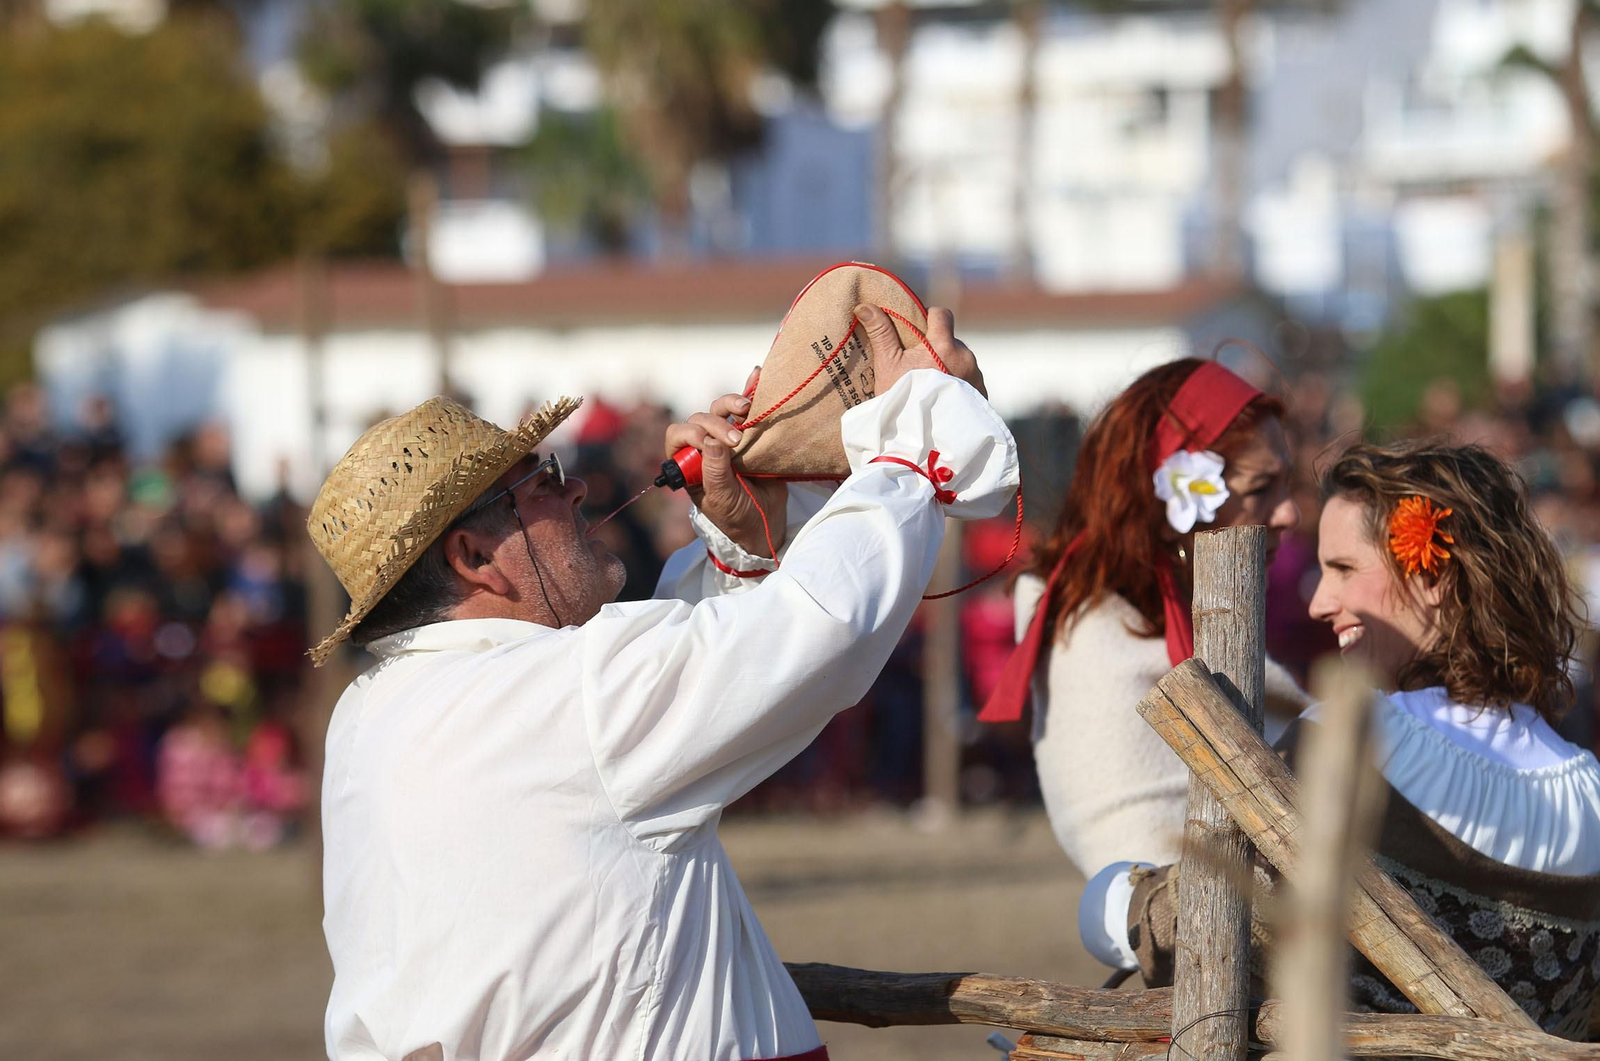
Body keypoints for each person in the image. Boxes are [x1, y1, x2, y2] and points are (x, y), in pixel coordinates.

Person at [308, 304, 1018, 1061]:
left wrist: (743, 549)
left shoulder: (372, 713)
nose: (575, 488)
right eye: (540, 481)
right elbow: (817, 630)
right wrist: (914, 439)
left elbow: (676, 698)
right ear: (474, 558)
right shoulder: (557, 695)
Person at [1095, 441, 1600, 1037]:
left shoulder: (1346, 744)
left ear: (1433, 574)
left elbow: (1196, 930)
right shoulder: (1590, 794)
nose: (1318, 602)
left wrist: (1110, 903)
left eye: (1343, 569)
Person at [978, 360, 1306, 888]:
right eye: (1262, 486)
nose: (1289, 513)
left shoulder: (1145, 622)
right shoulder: (1096, 639)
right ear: (1179, 499)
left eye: (1286, 484)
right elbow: (1142, 862)